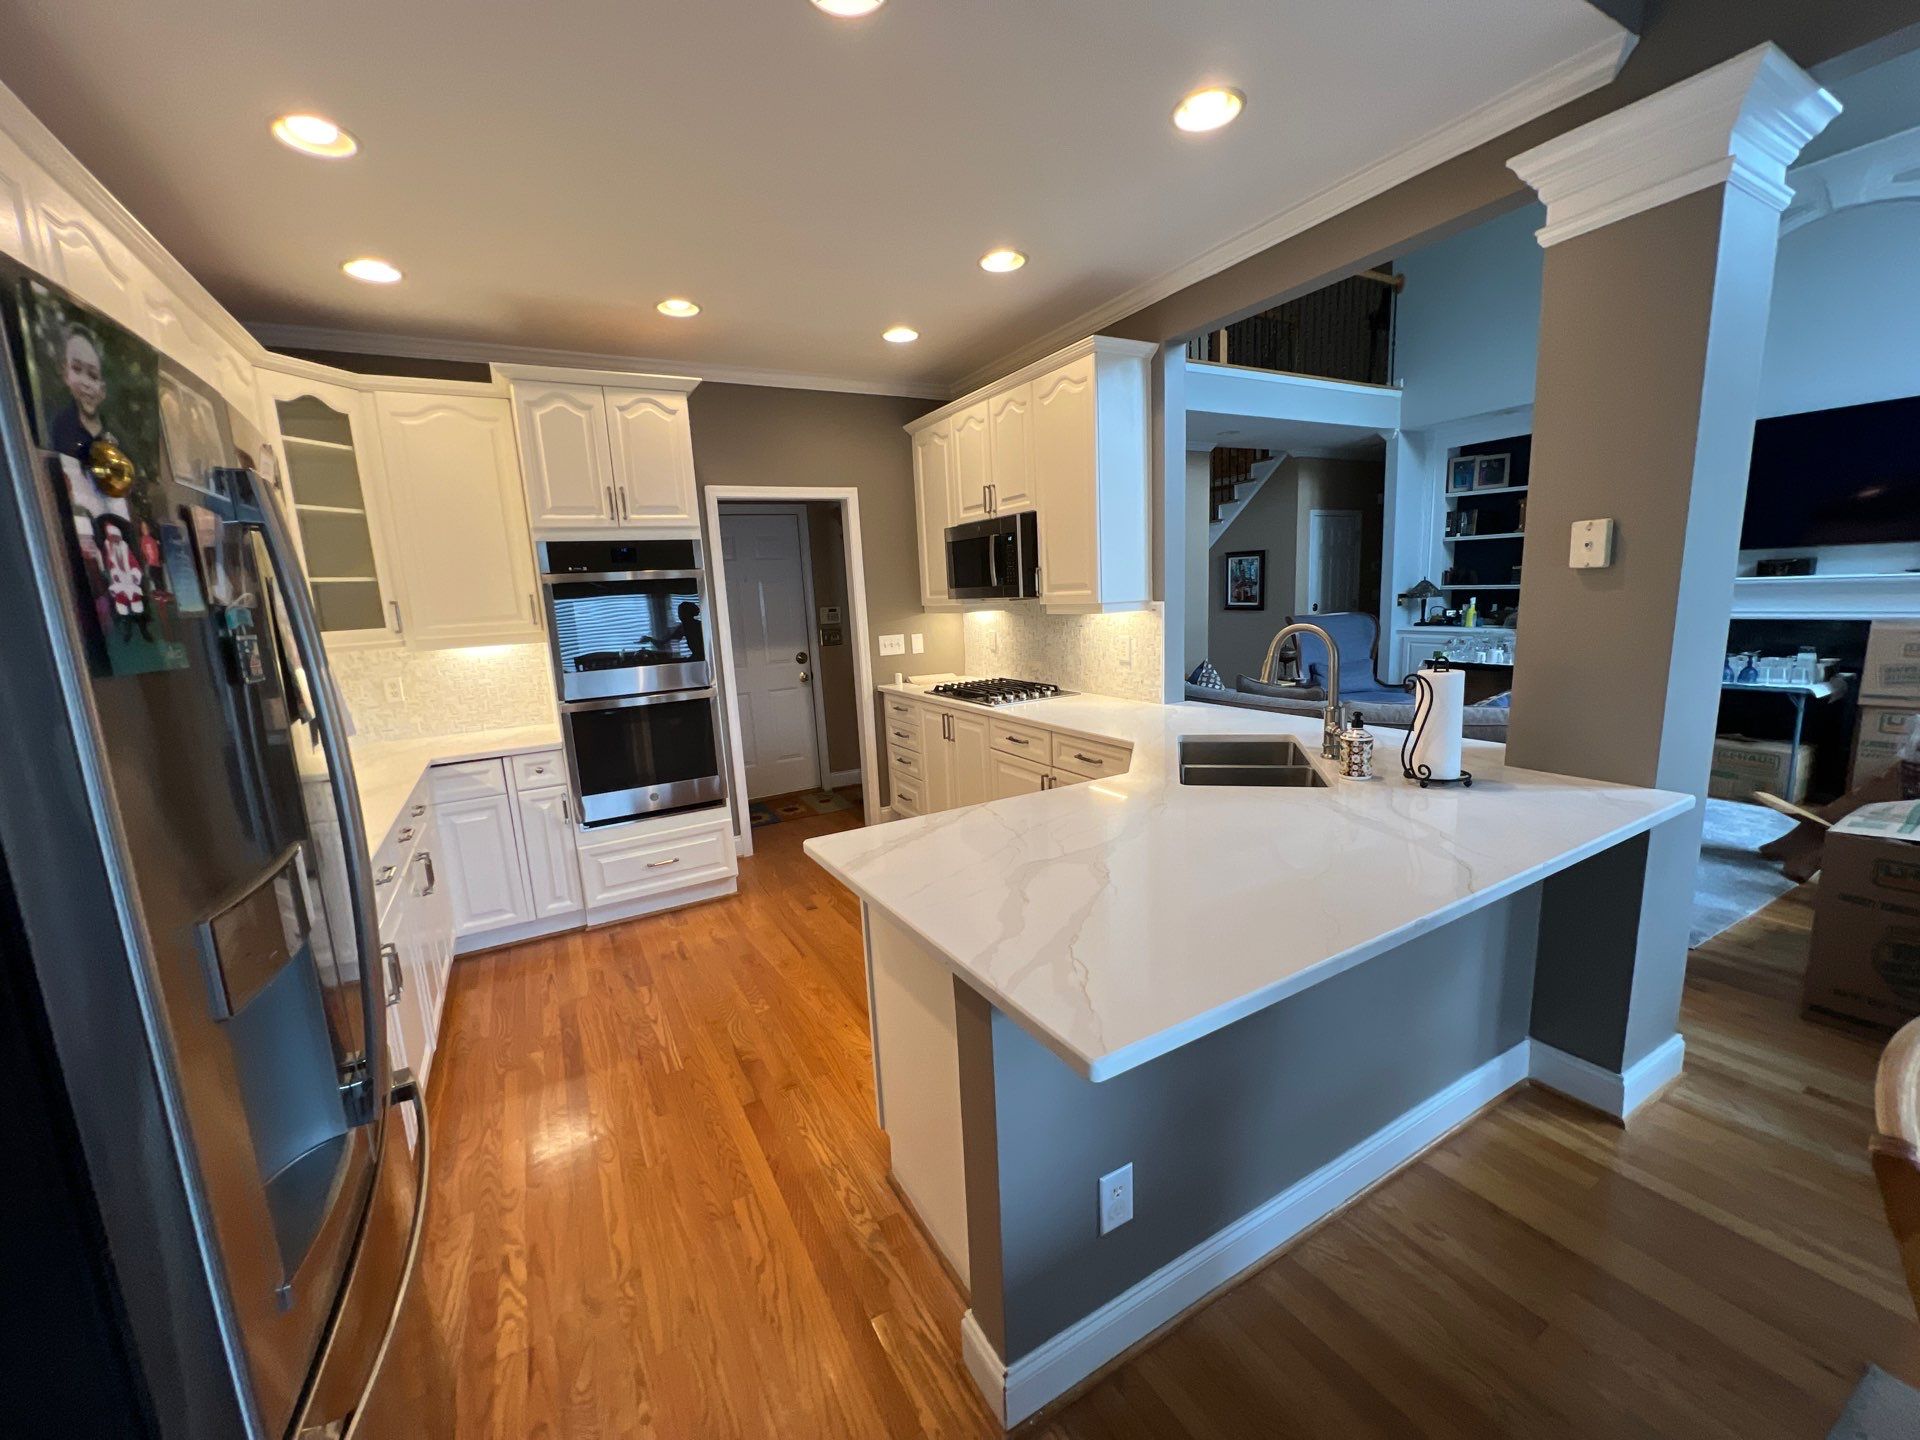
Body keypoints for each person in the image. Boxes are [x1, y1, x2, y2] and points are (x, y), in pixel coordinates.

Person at [48, 325, 118, 470]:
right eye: (77, 369)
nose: (85, 383)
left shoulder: (117, 435)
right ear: (65, 374)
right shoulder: (58, 427)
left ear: (103, 389)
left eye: (93, 376)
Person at [639, 600, 705, 663]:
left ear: (687, 613)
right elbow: (662, 644)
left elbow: (662, 644)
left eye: (680, 612)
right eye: (679, 612)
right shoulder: (689, 625)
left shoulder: (685, 627)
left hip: (700, 658)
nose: (679, 615)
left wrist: (650, 639)